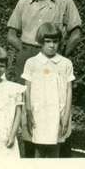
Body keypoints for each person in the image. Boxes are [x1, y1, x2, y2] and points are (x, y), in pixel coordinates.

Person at [6, 0, 81, 157]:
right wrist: (24, 51)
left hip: (55, 56)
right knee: (27, 102)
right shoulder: (23, 3)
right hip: (29, 56)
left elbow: (76, 33)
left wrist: (63, 54)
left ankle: (59, 147)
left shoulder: (65, 1)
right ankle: (27, 151)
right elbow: (11, 34)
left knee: (57, 101)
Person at [22, 23, 75, 157]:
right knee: (38, 148)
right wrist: (28, 112)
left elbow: (69, 91)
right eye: (48, 41)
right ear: (41, 42)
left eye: (55, 41)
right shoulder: (31, 63)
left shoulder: (65, 63)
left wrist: (66, 115)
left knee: (55, 147)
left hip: (58, 112)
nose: (52, 45)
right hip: (38, 112)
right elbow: (27, 90)